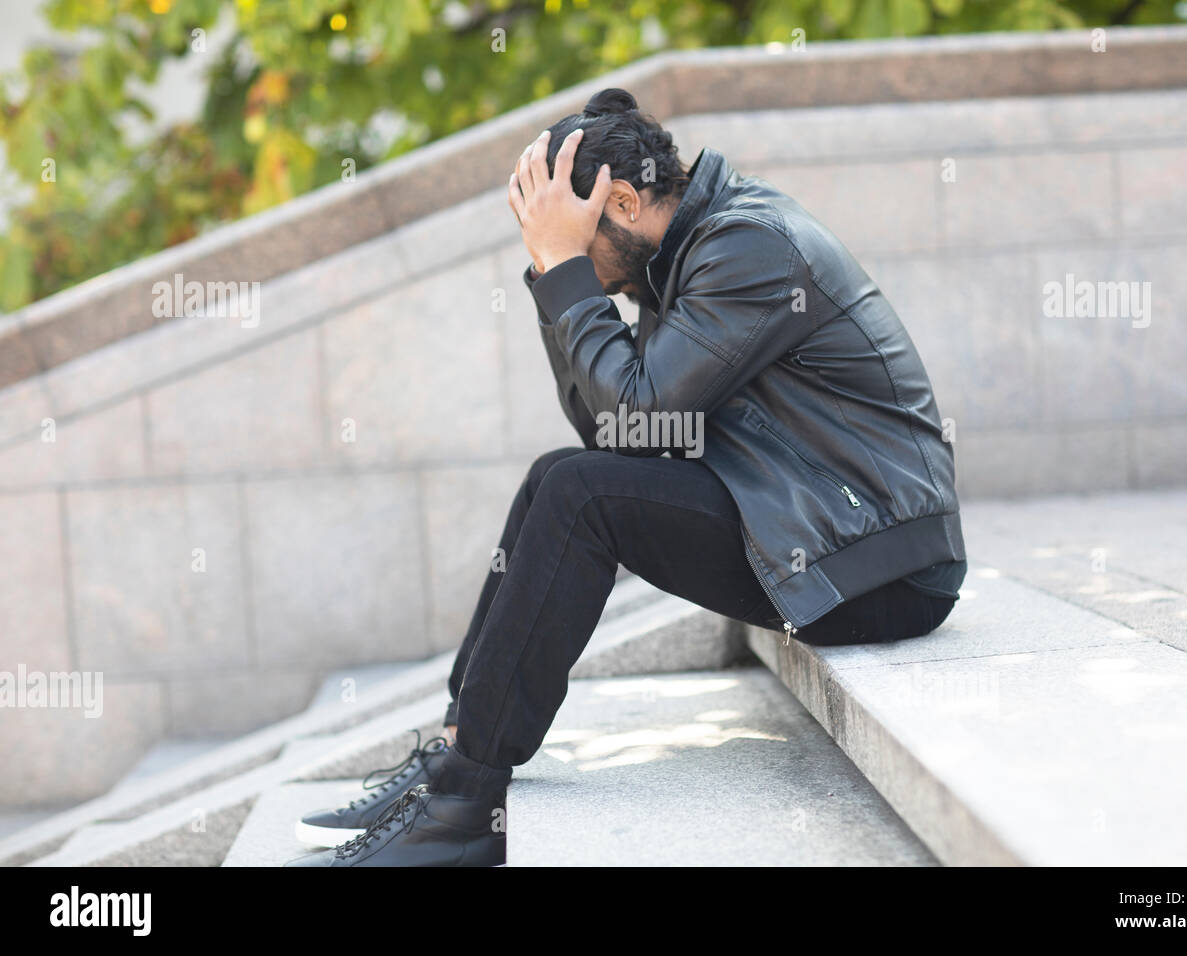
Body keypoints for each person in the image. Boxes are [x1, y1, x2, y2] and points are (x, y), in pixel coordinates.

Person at [286, 88, 966, 868]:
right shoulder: (680, 255)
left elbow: (636, 421)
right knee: (561, 478)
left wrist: (566, 270)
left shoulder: (751, 248)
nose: (577, 268)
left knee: (581, 494)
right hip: (815, 527)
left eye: (572, 239)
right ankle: (454, 754)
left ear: (623, 200)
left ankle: (464, 805)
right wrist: (559, 275)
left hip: (884, 563)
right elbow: (611, 434)